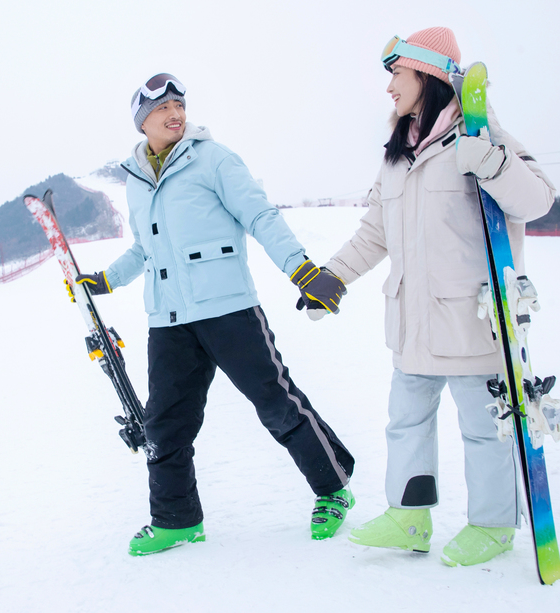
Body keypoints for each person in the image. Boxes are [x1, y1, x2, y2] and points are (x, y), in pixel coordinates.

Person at [74, 73, 356, 556]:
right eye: (162, 109)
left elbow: (260, 216)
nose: (175, 113)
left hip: (228, 308)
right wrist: (106, 280)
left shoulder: (215, 159)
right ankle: (176, 519)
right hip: (168, 318)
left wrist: (303, 271)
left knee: (275, 402)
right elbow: (144, 248)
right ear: (143, 121)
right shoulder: (138, 181)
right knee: (165, 425)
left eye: (179, 104)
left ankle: (333, 489)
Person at [313, 28, 554, 567]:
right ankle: (410, 517)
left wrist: (489, 160)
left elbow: (537, 200)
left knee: (482, 430)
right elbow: (376, 230)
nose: (389, 88)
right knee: (406, 422)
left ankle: (492, 524)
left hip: (470, 318)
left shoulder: (480, 133)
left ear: (426, 74)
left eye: (397, 74)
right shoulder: (397, 153)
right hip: (413, 320)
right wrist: (334, 276)